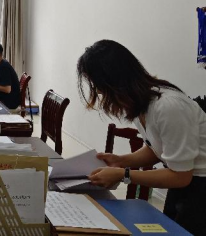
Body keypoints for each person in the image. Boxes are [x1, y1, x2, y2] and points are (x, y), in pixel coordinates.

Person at [77, 40, 206, 236]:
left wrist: (123, 174)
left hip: (200, 187)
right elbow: (157, 148)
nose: (99, 92)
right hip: (186, 184)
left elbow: (181, 176)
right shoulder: (141, 104)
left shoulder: (168, 107)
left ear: (115, 81)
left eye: (99, 86)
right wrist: (122, 160)